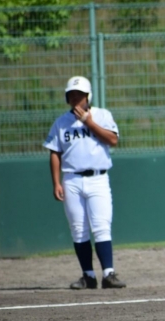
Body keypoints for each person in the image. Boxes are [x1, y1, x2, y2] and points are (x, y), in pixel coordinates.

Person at [43, 76, 126, 290]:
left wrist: (89, 122)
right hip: (72, 179)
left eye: (79, 95)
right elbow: (54, 152)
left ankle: (108, 274)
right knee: (78, 229)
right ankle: (88, 276)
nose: (75, 98)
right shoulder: (62, 122)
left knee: (101, 226)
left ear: (88, 96)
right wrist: (56, 182)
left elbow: (113, 139)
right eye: (71, 95)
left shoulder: (102, 115)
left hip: (98, 177)